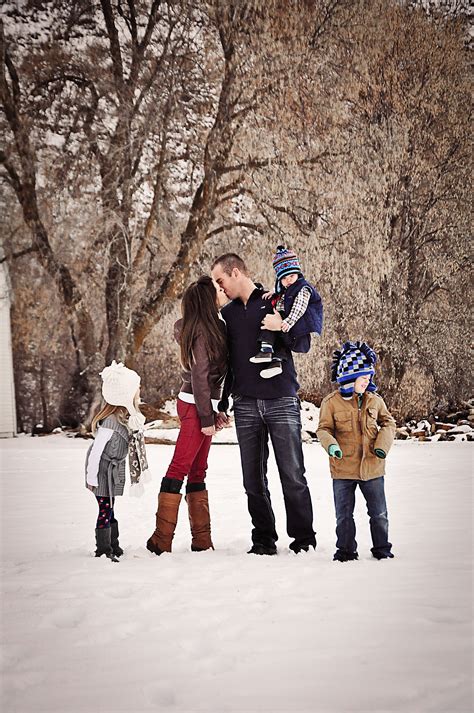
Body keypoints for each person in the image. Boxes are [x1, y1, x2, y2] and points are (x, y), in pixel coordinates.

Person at [211, 253, 316, 556]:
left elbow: (304, 344)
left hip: (282, 399)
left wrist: (282, 324)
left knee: (293, 475)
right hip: (245, 405)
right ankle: (263, 540)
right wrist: (223, 401)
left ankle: (303, 541)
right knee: (252, 480)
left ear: (234, 273)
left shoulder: (275, 300)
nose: (220, 287)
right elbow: (230, 363)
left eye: (221, 280)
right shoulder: (228, 315)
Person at [146, 275, 228, 556]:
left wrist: (218, 411)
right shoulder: (202, 332)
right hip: (194, 405)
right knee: (180, 466)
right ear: (207, 301)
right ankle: (161, 539)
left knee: (198, 468)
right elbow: (200, 377)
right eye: (216, 291)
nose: (221, 293)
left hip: (205, 405)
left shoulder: (215, 326)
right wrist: (206, 418)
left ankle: (201, 540)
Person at [316, 341, 396, 562]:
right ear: (350, 379)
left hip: (372, 468)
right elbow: (323, 429)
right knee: (344, 515)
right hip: (343, 469)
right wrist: (331, 445)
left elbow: (389, 424)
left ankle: (382, 548)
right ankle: (345, 551)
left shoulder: (375, 401)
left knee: (379, 514)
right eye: (364, 378)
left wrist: (381, 446)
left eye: (369, 377)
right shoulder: (331, 403)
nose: (368, 382)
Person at [85, 361, 148, 562]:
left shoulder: (125, 418)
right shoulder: (110, 422)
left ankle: (113, 545)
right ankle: (103, 549)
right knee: (105, 509)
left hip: (113, 470)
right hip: (102, 471)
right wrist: (92, 477)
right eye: (136, 389)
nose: (139, 391)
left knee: (110, 508)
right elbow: (95, 452)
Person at [250, 245, 323, 379]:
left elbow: (299, 307)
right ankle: (275, 362)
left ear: (298, 274)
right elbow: (281, 291)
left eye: (291, 276)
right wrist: (273, 292)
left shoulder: (303, 288)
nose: (288, 280)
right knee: (277, 335)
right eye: (284, 278)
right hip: (286, 324)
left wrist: (287, 322)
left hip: (298, 328)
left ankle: (267, 350)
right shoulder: (286, 287)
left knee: (273, 326)